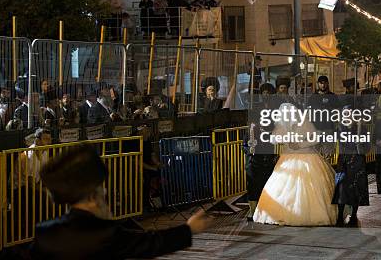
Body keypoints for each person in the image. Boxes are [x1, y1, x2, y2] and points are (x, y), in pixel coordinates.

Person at [30, 144, 210, 259]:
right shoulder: (105, 234)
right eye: (101, 189)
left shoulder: (45, 232)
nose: (106, 191)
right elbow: (151, 243)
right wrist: (189, 229)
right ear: (93, 197)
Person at [253, 102, 337, 225]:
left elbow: (315, 137)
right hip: (288, 158)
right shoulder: (281, 126)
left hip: (307, 158)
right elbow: (273, 139)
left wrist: (300, 144)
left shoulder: (304, 123)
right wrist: (283, 138)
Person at [332, 105, 370, 227]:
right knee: (341, 188)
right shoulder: (339, 127)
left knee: (356, 189)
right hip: (343, 161)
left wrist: (359, 132)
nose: (347, 115)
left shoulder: (361, 128)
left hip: (357, 161)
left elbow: (367, 147)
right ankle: (339, 217)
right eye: (345, 113)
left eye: (349, 113)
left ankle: (353, 217)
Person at [245, 82, 278, 220]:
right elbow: (245, 143)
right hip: (254, 159)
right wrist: (248, 147)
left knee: (265, 183)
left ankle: (263, 209)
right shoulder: (252, 128)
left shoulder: (274, 113)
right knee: (252, 183)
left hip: (267, 156)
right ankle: (252, 210)